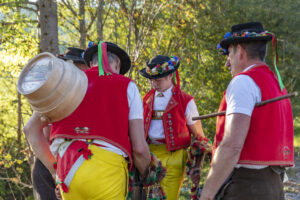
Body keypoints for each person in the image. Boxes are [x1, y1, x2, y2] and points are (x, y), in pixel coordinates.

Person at [24, 41, 151, 200]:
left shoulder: (66, 84)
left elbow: (30, 130)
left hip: (68, 172)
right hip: (107, 172)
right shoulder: (127, 86)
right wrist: (147, 174)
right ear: (117, 64)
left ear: (91, 62)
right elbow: (139, 149)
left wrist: (55, 170)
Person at [200, 22, 294, 200]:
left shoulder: (243, 82)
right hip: (273, 186)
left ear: (240, 51)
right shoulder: (275, 83)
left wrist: (207, 194)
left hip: (247, 187)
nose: (228, 63)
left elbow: (232, 146)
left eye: (229, 54)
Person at [140, 55, 206, 199]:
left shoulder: (186, 100)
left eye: (158, 80)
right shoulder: (145, 99)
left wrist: (197, 166)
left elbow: (199, 136)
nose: (154, 84)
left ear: (170, 76)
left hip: (175, 156)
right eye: (151, 80)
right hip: (149, 156)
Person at [31, 47, 88, 200]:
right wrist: (55, 170)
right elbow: (39, 132)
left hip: (66, 165)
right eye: (84, 65)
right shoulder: (58, 93)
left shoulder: (71, 90)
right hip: (53, 166)